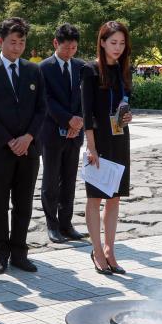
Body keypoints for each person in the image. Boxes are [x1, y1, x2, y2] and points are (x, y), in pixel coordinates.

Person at [0, 17, 45, 275]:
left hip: (29, 149)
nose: (17, 47)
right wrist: (9, 140)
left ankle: (19, 251)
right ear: (1, 41)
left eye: (22, 42)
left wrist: (27, 137)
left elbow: (41, 109)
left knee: (24, 203)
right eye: (13, 42)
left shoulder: (33, 71)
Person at [81, 21, 133, 276]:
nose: (118, 48)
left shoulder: (124, 70)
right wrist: (91, 148)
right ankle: (97, 251)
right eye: (113, 42)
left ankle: (110, 250)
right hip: (98, 141)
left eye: (122, 43)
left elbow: (124, 102)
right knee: (95, 197)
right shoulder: (89, 70)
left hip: (120, 138)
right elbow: (87, 112)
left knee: (115, 198)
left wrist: (127, 116)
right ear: (102, 42)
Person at [39, 24, 87, 244]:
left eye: (74, 48)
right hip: (51, 132)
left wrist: (78, 121)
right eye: (66, 47)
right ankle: (52, 225)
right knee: (50, 180)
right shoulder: (43, 68)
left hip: (75, 133)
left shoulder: (81, 67)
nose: (70, 52)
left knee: (69, 180)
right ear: (56, 43)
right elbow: (46, 100)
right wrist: (68, 119)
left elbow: (86, 97)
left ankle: (66, 224)